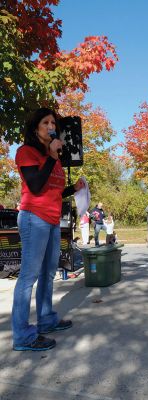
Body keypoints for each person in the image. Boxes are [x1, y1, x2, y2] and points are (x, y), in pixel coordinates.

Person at [12, 108, 85, 352]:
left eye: (53, 122)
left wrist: (73, 188)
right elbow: (34, 186)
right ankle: (22, 335)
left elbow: (52, 190)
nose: (51, 125)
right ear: (36, 129)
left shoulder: (53, 157)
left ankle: (46, 319)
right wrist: (53, 156)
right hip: (34, 219)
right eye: (46, 122)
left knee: (48, 273)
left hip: (53, 221)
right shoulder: (26, 152)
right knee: (28, 277)